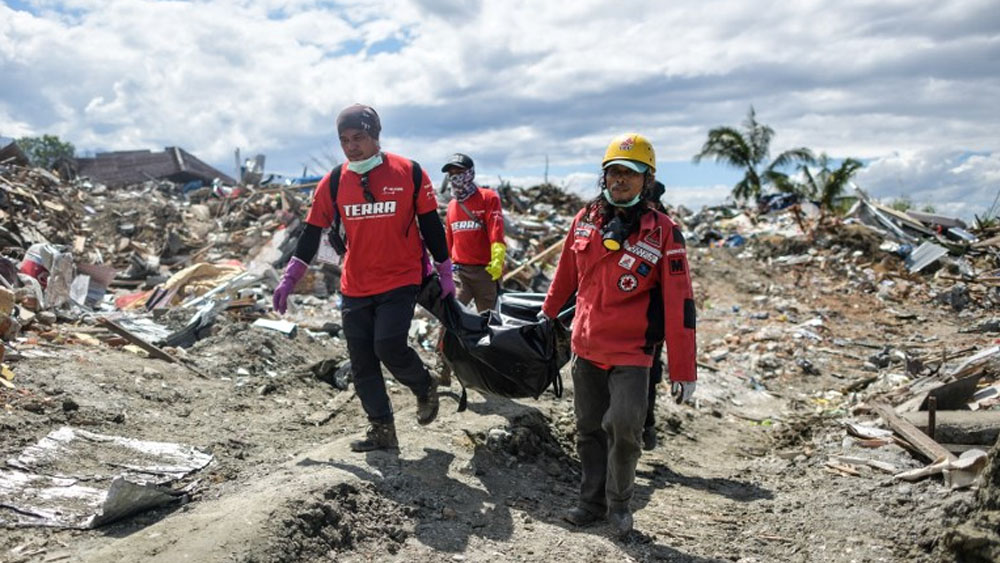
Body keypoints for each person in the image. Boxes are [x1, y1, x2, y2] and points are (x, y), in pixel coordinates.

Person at [272, 103, 455, 452]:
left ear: (375, 135)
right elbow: (311, 232)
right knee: (362, 361)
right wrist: (291, 275)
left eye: (358, 137)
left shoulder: (410, 173)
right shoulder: (334, 182)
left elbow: (431, 225)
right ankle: (382, 429)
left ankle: (424, 384)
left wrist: (445, 269)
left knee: (388, 346)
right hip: (355, 283)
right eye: (344, 140)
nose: (351, 146)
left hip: (401, 278)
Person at [540, 133, 697, 537]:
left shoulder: (663, 232)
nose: (620, 180)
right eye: (613, 172)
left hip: (633, 351)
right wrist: (546, 315)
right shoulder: (585, 220)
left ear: (648, 179)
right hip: (587, 345)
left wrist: (684, 370)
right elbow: (565, 277)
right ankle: (590, 503)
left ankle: (620, 504)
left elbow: (680, 303)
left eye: (630, 173)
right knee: (589, 429)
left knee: (625, 427)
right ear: (604, 176)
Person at [441, 153, 506, 313]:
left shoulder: (488, 197)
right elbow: (449, 240)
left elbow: (496, 230)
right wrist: (445, 268)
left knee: (488, 319)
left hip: (485, 271)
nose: (455, 177)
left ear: (470, 173)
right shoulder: (452, 205)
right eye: (451, 173)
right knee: (451, 317)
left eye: (460, 172)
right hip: (460, 273)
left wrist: (497, 259)